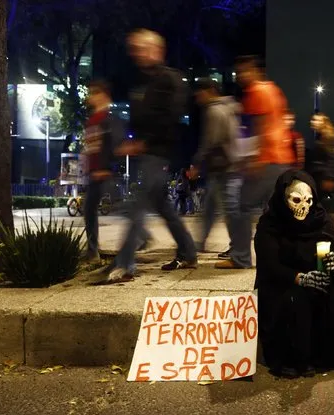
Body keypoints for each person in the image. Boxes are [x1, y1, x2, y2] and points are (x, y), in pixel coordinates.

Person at [92, 29, 197, 284]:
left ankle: (125, 264)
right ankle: (189, 252)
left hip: (158, 153)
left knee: (137, 206)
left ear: (157, 50)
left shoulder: (170, 80)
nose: (137, 53)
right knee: (163, 207)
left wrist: (143, 143)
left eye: (141, 48)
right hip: (145, 152)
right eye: (134, 49)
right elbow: (140, 119)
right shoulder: (142, 82)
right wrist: (133, 143)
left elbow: (170, 120)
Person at [254, 169, 334, 377]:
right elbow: (269, 265)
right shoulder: (270, 225)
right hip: (284, 282)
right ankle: (294, 361)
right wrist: (299, 278)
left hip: (316, 277)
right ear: (283, 198)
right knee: (293, 298)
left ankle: (326, 357)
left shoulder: (321, 219)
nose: (303, 207)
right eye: (296, 200)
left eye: (308, 200)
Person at [218, 55, 296, 269]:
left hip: (268, 159)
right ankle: (286, 256)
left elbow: (259, 126)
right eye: (239, 72)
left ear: (256, 70)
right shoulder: (272, 89)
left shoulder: (256, 92)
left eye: (245, 71)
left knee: (242, 206)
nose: (241, 76)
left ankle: (241, 257)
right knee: (275, 212)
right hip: (281, 158)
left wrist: (254, 159)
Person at [189, 78, 242, 253]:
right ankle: (201, 242)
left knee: (230, 210)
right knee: (211, 208)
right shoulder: (229, 106)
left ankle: (237, 247)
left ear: (210, 91)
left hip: (224, 166)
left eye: (199, 92)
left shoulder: (214, 110)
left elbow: (209, 141)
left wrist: (196, 163)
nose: (197, 97)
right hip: (227, 165)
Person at [82, 79, 125, 263]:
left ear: (104, 96)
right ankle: (92, 250)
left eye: (94, 93)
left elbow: (115, 146)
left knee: (120, 208)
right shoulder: (92, 120)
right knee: (89, 209)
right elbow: (91, 148)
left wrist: (106, 168)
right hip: (94, 172)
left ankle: (142, 235)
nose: (90, 97)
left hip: (104, 172)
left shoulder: (109, 119)